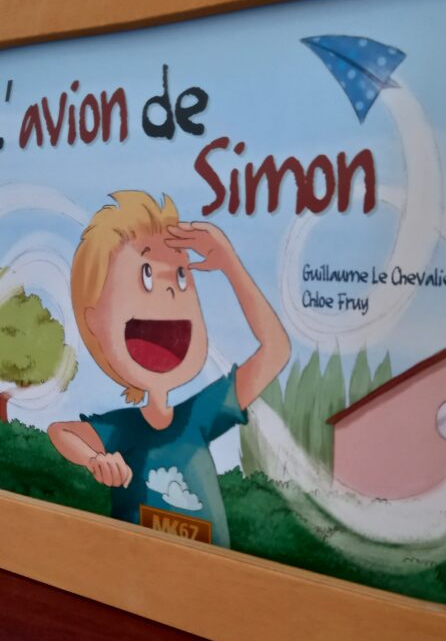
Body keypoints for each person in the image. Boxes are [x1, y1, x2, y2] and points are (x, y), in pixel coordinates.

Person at [48, 191, 290, 547]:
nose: (170, 292)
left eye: (180, 276)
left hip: (210, 568)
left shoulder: (200, 414)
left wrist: (230, 264)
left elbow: (276, 350)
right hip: (137, 565)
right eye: (146, 275)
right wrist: (96, 460)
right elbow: (61, 432)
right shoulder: (123, 428)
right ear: (95, 321)